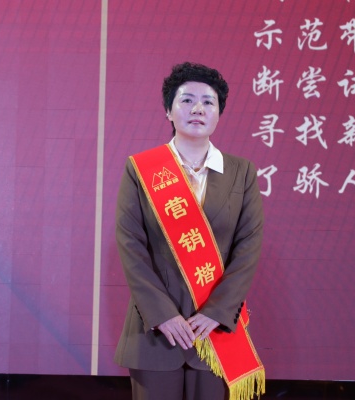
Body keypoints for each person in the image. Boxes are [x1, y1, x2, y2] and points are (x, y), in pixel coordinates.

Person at [114, 62, 264, 400]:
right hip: (154, 332)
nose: (198, 109)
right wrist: (163, 315)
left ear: (219, 114)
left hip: (215, 331)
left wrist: (216, 313)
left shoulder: (241, 172)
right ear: (169, 111)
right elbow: (131, 245)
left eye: (208, 102)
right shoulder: (141, 169)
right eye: (186, 100)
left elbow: (248, 248)